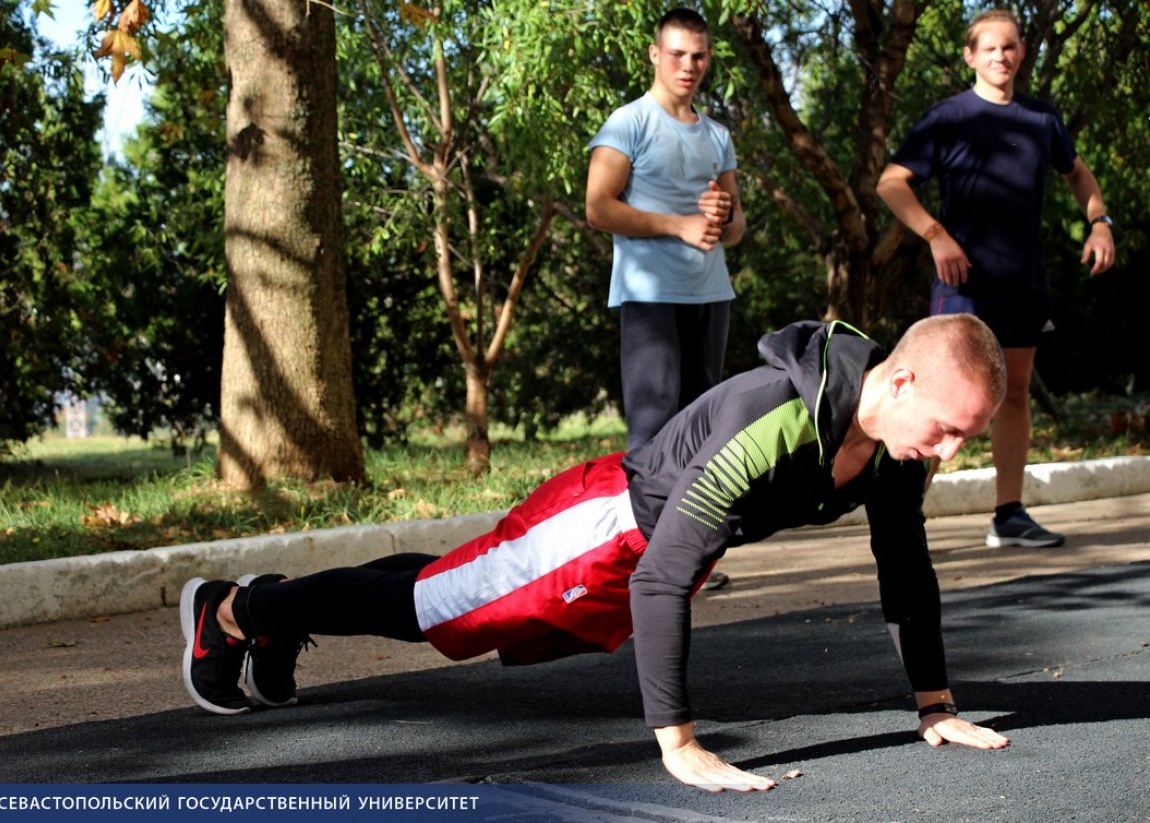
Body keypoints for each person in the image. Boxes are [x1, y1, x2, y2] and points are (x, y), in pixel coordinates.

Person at [182, 314, 1011, 792]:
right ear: (899, 383)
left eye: (963, 439)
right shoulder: (775, 420)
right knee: (432, 611)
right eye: (946, 428)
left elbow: (905, 566)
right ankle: (235, 610)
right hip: (604, 526)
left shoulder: (898, 448)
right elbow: (662, 580)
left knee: (448, 588)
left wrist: (934, 703)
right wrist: (679, 745)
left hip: (646, 543)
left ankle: (269, 600)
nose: (947, 451)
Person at [876, 7, 1116, 549]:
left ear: (1021, 52)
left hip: (1023, 280)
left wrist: (1099, 223)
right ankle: (901, 520)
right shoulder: (948, 117)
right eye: (989, 48)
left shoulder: (1040, 118)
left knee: (1015, 393)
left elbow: (1079, 174)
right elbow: (891, 183)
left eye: (1009, 47)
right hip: (962, 282)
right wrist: (936, 234)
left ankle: (1008, 514)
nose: (1000, 56)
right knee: (933, 398)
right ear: (970, 55)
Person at [586, 7, 745, 590]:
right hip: (651, 297)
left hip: (711, 294)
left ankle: (698, 559)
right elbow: (598, 206)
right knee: (653, 432)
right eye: (677, 54)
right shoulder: (628, 122)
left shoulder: (716, 135)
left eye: (699, 55)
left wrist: (719, 218)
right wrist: (678, 225)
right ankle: (645, 560)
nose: (689, 66)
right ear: (655, 54)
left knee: (707, 429)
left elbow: (735, 228)